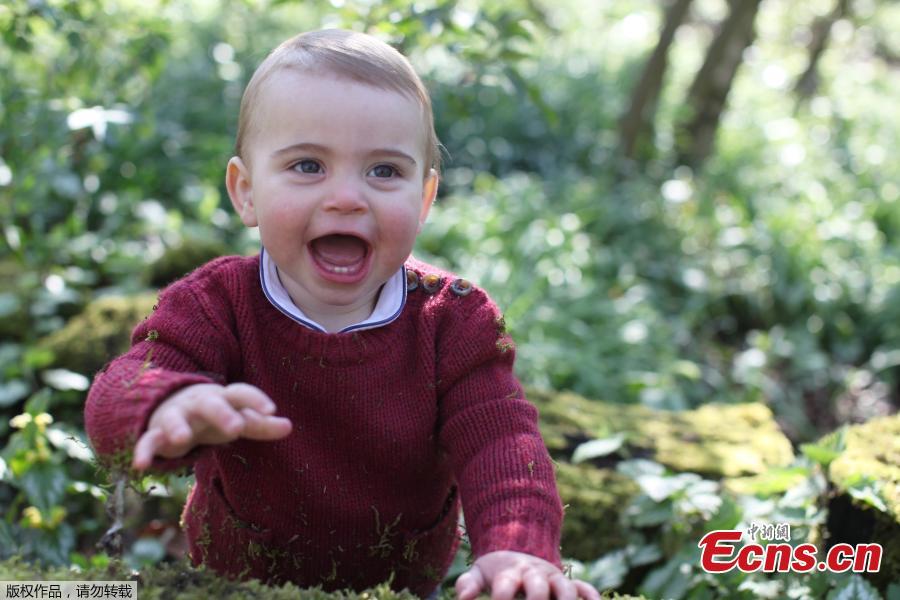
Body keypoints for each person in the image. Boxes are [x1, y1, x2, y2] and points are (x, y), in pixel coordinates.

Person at [85, 28, 599, 600]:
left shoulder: (452, 320)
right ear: (246, 191)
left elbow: (501, 439)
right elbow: (119, 390)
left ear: (423, 199)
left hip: (401, 588)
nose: (348, 198)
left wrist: (516, 546)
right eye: (308, 165)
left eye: (384, 171)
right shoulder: (215, 304)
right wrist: (164, 402)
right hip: (235, 585)